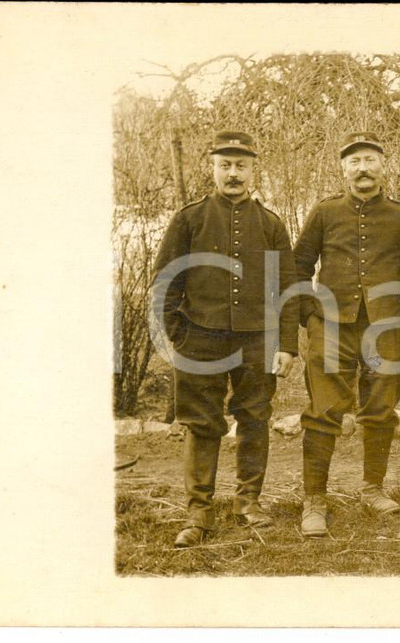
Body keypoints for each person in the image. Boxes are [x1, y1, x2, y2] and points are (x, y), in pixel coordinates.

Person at [151, 130, 299, 548]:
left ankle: (248, 502)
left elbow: (287, 288)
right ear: (212, 167)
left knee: (255, 417)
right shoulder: (189, 218)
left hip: (257, 341)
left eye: (241, 166)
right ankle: (199, 511)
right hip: (199, 339)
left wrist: (286, 344)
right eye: (225, 165)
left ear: (253, 170)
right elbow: (165, 281)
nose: (233, 174)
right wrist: (178, 333)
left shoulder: (271, 224)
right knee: (201, 422)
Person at [292, 132, 400, 538]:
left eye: (369, 160)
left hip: (385, 325)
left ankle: (372, 489)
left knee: (381, 406)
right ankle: (315, 500)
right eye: (353, 162)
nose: (362, 169)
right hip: (330, 323)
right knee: (324, 409)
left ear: (383, 165)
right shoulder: (325, 212)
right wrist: (309, 311)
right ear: (343, 169)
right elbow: (299, 265)